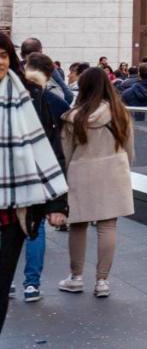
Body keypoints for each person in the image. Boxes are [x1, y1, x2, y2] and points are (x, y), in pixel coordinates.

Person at [0, 33, 68, 330]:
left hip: (14, 209)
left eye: (3, 55)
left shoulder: (29, 95)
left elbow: (47, 148)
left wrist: (57, 202)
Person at [58, 67, 133, 298]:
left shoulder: (74, 117)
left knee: (78, 225)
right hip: (114, 171)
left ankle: (76, 277)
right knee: (107, 226)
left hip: (81, 173)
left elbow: (66, 152)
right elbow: (129, 149)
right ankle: (102, 282)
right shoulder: (120, 113)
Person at [12, 53, 70, 303]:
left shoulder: (10, 96)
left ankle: (8, 282)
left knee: (6, 228)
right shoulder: (54, 101)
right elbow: (61, 145)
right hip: (41, 171)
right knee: (36, 228)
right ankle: (31, 284)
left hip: (10, 172)